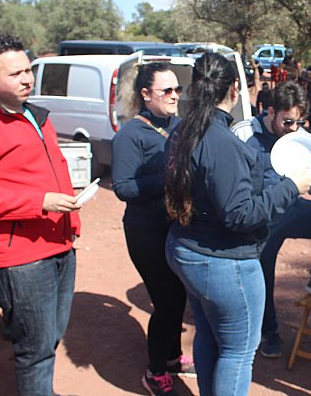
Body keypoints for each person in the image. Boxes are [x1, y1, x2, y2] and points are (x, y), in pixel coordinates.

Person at [164, 53, 311, 396]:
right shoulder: (222, 142)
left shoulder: (183, 131)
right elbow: (240, 215)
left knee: (209, 335)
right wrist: (292, 187)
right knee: (238, 353)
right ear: (234, 89)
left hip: (187, 248)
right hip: (222, 262)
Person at [0, 34, 81, 395]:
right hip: (22, 259)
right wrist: (40, 201)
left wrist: (71, 217)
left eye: (28, 70)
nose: (27, 79)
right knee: (34, 350)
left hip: (61, 244)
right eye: (15, 74)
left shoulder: (38, 116)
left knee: (50, 338)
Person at [234, 81, 311, 359]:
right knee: (263, 274)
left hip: (291, 207)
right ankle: (268, 332)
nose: (293, 128)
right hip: (261, 216)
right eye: (287, 121)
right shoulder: (245, 134)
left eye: (300, 122)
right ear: (270, 111)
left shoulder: (297, 134)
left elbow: (308, 176)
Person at [111, 62, 195, 396]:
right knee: (167, 301)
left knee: (179, 295)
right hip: (145, 230)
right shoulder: (132, 133)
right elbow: (123, 188)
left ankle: (173, 356)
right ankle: (155, 370)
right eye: (167, 91)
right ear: (146, 95)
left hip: (175, 226)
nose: (175, 96)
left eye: (178, 90)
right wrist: (166, 179)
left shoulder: (180, 125)